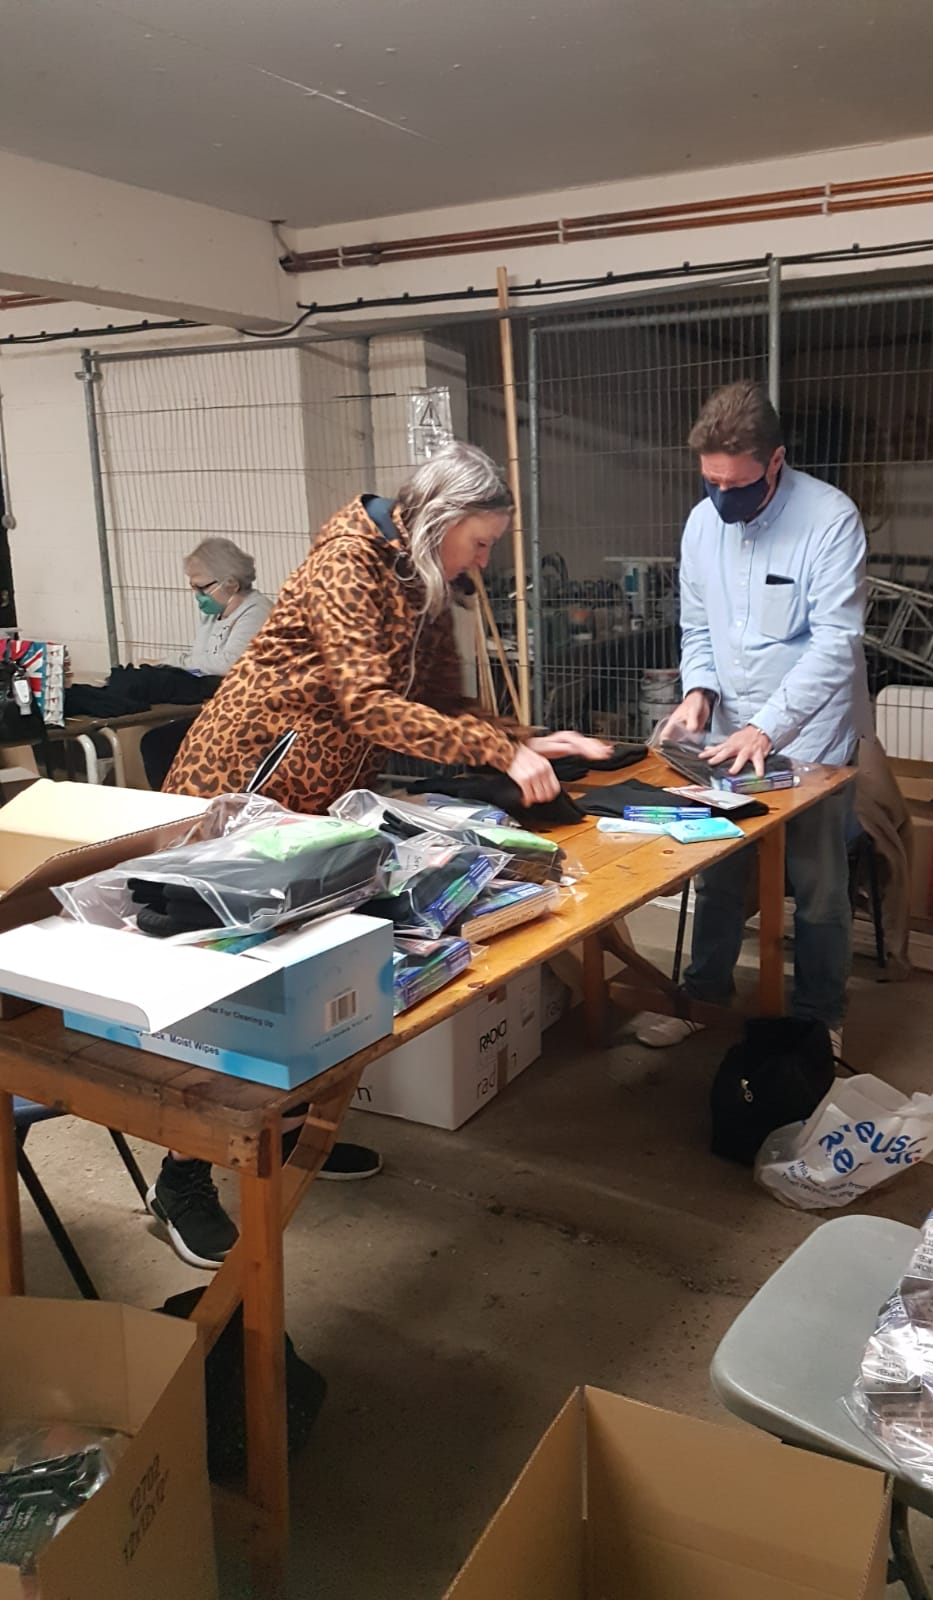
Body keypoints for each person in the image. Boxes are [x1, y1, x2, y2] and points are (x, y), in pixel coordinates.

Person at [149, 442, 607, 1271]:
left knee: (311, 978)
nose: (485, 558)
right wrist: (498, 756)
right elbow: (368, 705)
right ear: (438, 521)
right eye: (481, 541)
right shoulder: (348, 566)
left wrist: (529, 738)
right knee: (237, 986)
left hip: (313, 803)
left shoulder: (422, 580)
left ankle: (293, 1140)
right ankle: (181, 1179)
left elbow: (437, 703)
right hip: (248, 784)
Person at [635, 380, 870, 1056]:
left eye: (737, 484)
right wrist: (699, 692)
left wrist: (769, 726)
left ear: (775, 462)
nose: (722, 497)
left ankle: (818, 1018)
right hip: (726, 734)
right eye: (710, 482)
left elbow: (835, 642)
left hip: (810, 739)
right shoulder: (702, 523)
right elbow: (698, 625)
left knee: (819, 885)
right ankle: (704, 996)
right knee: (718, 869)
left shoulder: (830, 520)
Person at [139, 539, 272, 788]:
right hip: (221, 709)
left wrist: (169, 662)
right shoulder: (214, 614)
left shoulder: (257, 612)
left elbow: (225, 665)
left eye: (201, 588)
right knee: (158, 742)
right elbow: (200, 661)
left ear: (230, 583)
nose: (197, 596)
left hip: (254, 714)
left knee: (159, 744)